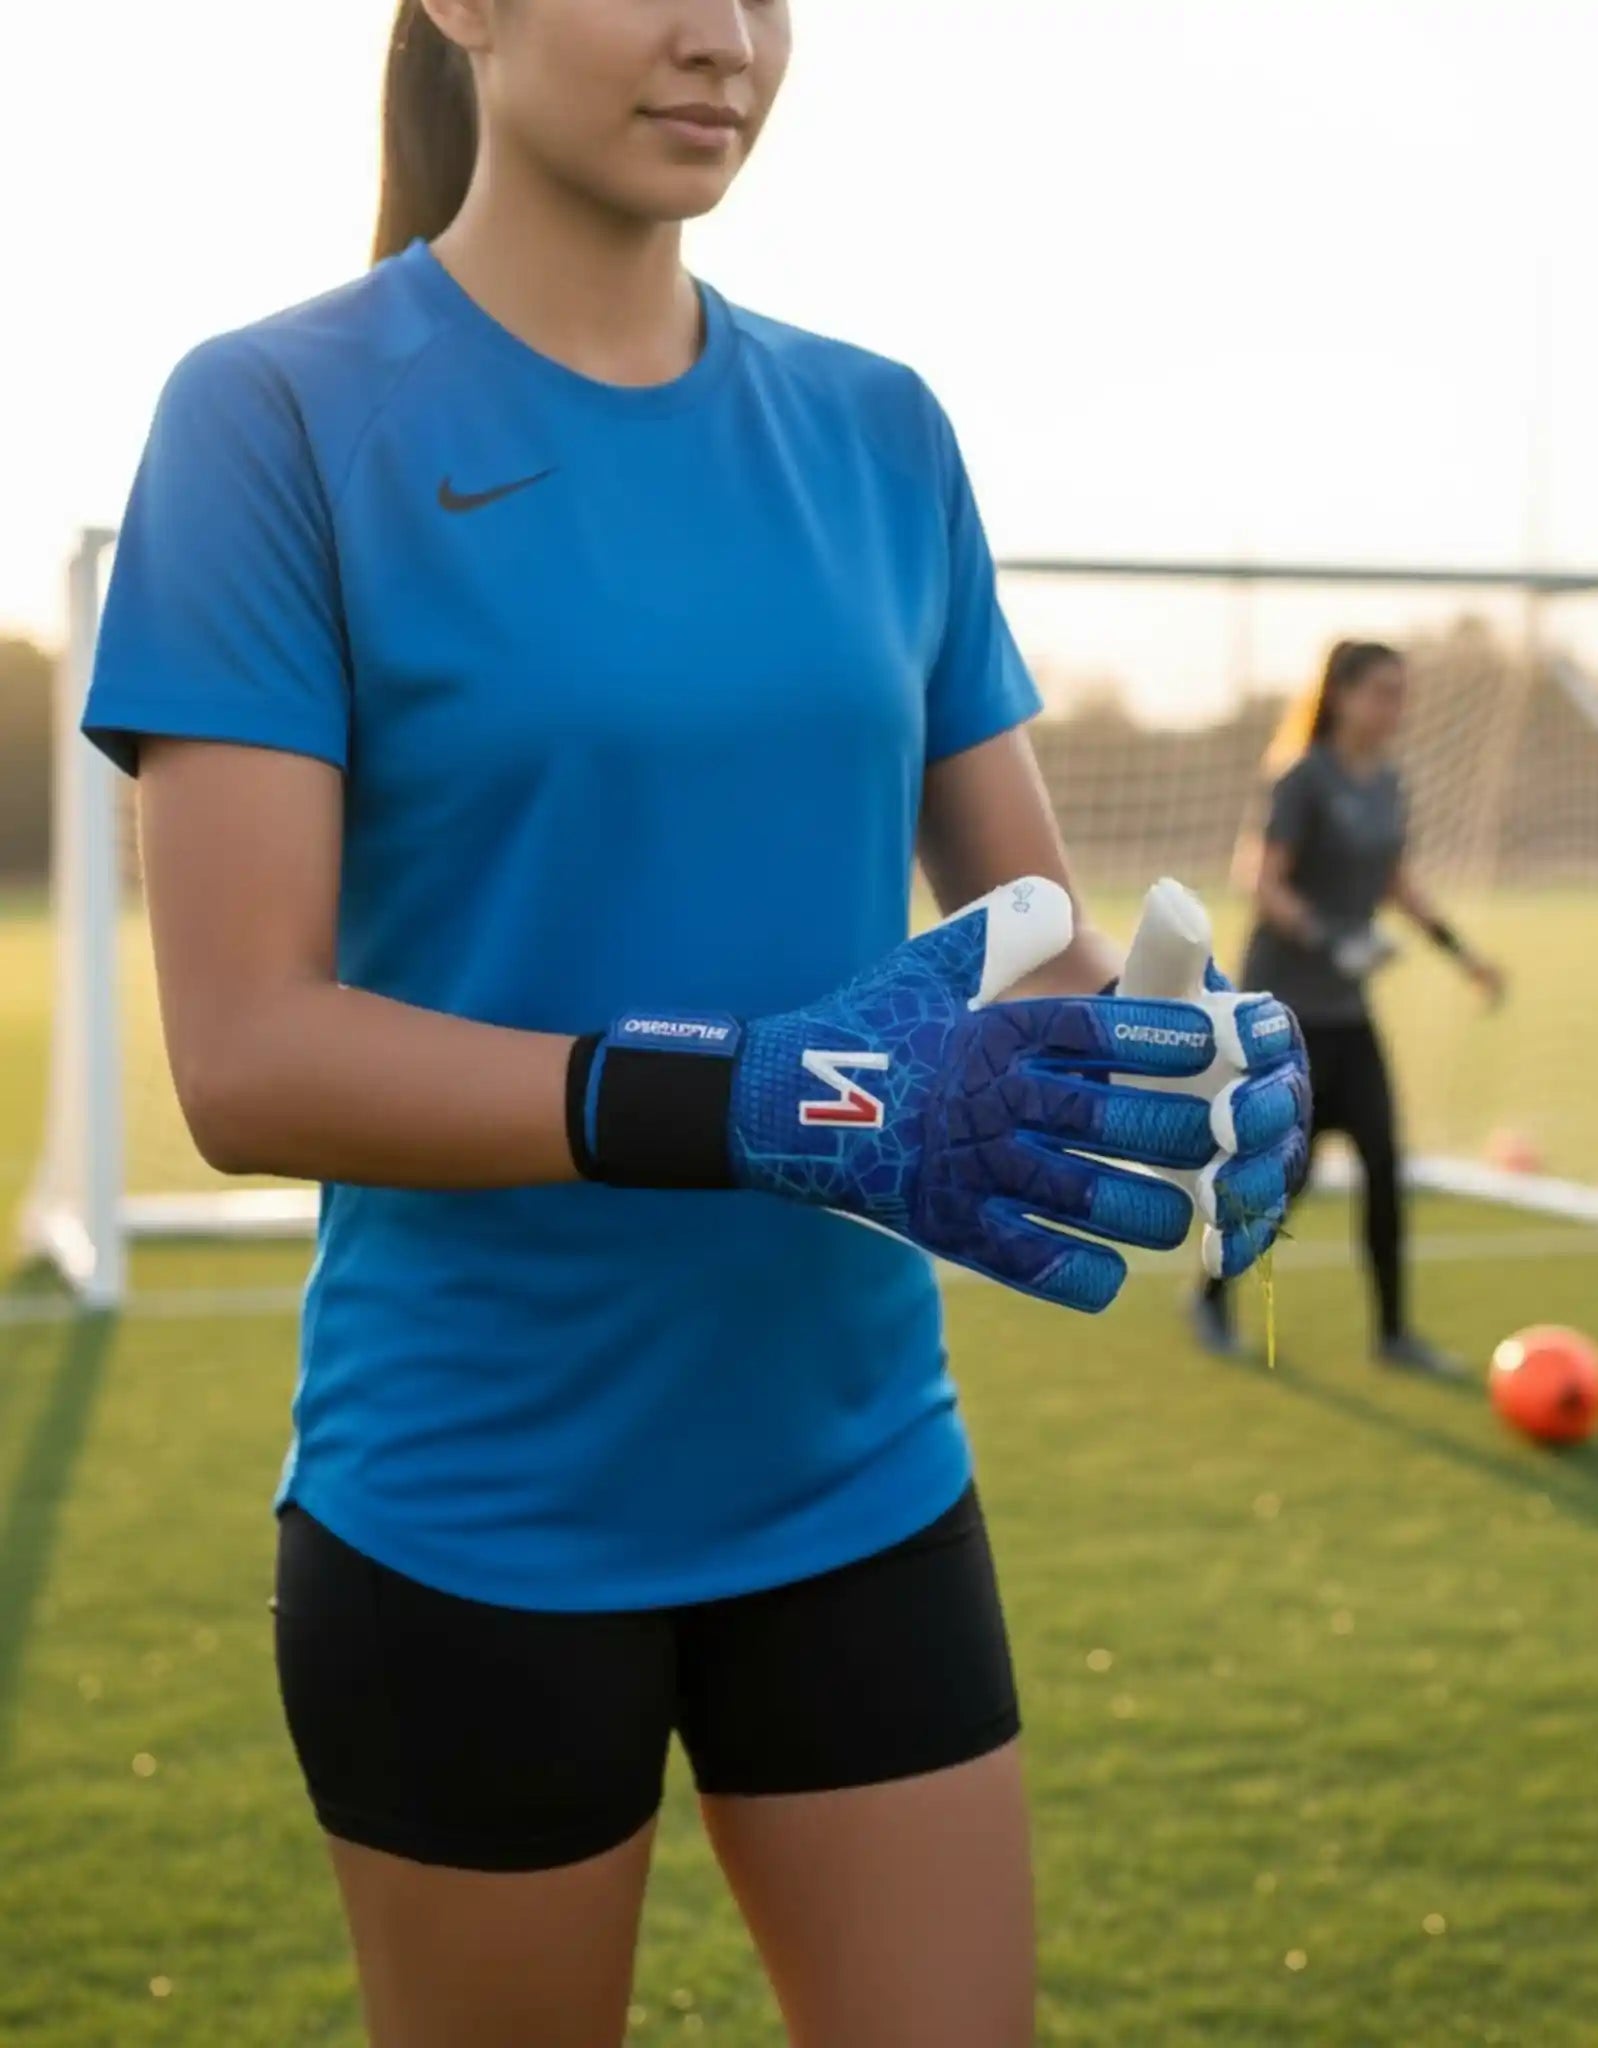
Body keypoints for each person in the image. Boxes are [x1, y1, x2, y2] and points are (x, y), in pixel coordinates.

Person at [78, 5, 1309, 2043]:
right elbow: (245, 1054)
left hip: (860, 1479)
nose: (722, 36)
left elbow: (1038, 951)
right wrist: (738, 1097)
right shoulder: (272, 414)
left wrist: (1198, 1064)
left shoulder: (880, 429)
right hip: (471, 1508)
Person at [1192, 639, 1505, 1377]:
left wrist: (1462, 955)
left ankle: (1395, 1333)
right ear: (1340, 697)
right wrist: (1331, 939)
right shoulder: (1301, 778)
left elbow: (1398, 882)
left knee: (1385, 1161)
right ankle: (1211, 1297)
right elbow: (1261, 881)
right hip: (1286, 1010)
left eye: (1403, 692)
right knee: (1286, 1175)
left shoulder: (1391, 783)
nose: (1397, 707)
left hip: (1348, 1011)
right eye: (1383, 692)